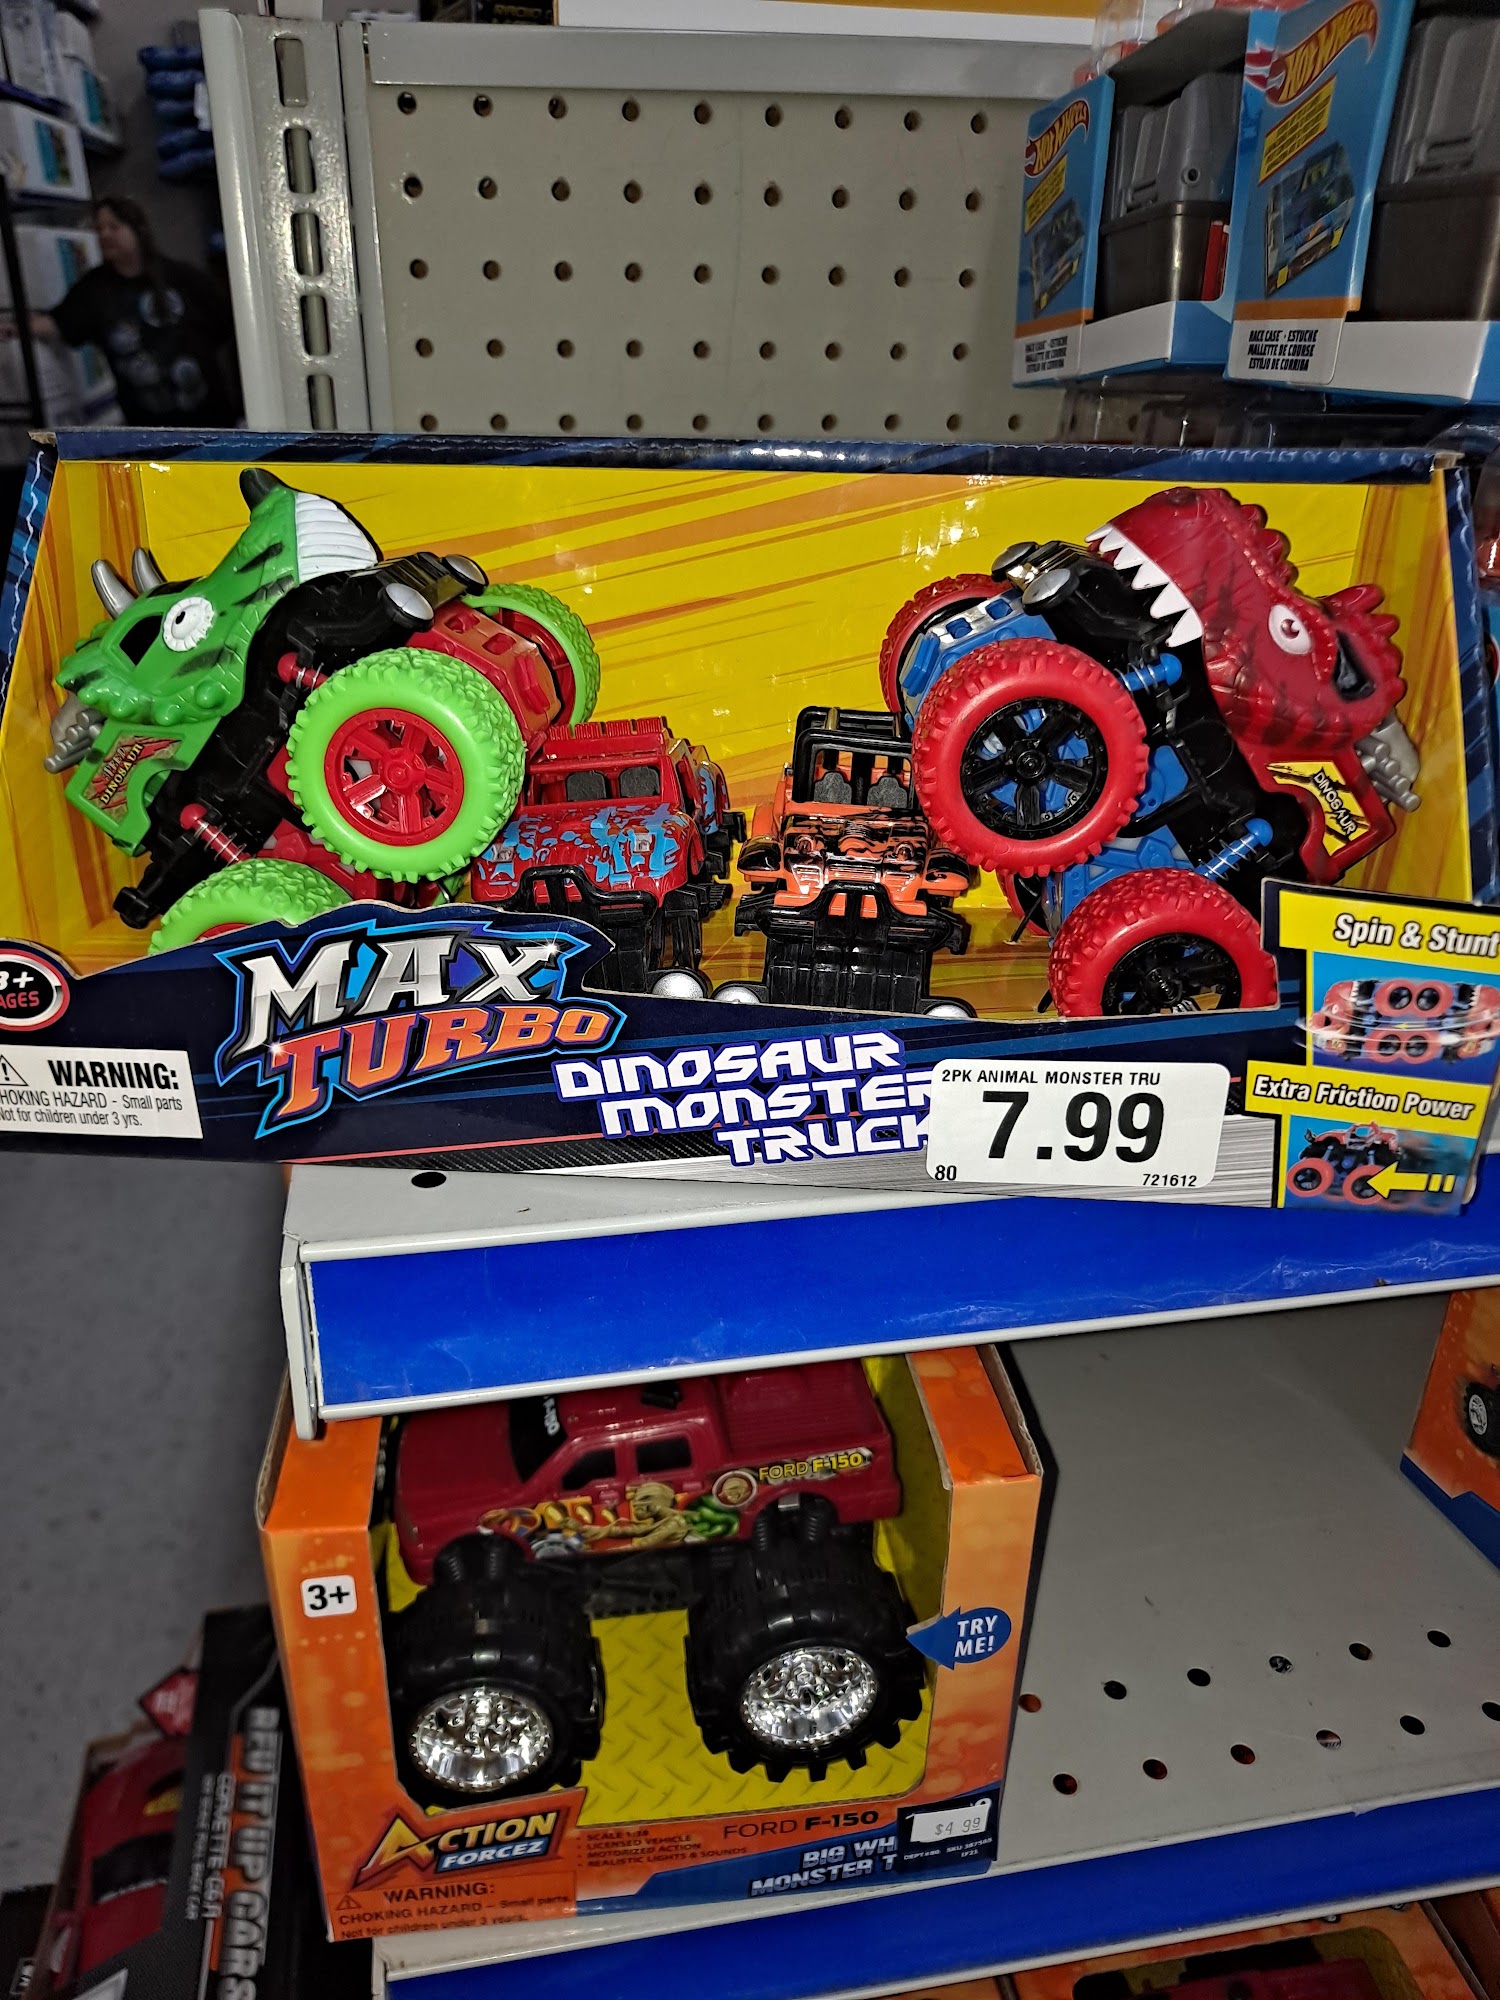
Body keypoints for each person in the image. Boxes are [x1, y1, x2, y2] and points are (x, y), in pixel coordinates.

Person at [35, 196, 240, 426]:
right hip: (148, 427)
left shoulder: (183, 278)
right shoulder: (94, 289)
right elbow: (61, 323)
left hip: (210, 417)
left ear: (137, 229)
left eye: (114, 227)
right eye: (99, 229)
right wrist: (18, 328)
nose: (105, 235)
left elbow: (224, 324)